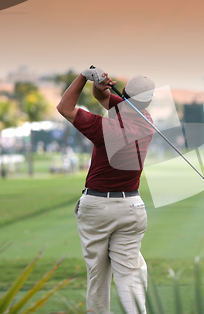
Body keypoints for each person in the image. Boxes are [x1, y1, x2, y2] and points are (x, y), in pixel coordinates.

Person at [56, 66, 155, 314]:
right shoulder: (147, 122)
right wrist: (99, 88)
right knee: (131, 275)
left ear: (124, 95)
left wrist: (83, 76)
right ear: (149, 101)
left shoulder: (105, 128)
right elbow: (102, 98)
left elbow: (65, 108)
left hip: (97, 208)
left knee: (98, 277)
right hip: (132, 208)